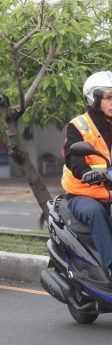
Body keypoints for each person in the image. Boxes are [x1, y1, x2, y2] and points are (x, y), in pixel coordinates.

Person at [61, 70, 112, 276]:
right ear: (94, 99)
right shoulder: (79, 126)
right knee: (95, 212)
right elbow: (74, 159)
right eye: (108, 98)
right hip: (83, 194)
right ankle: (110, 267)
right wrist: (88, 173)